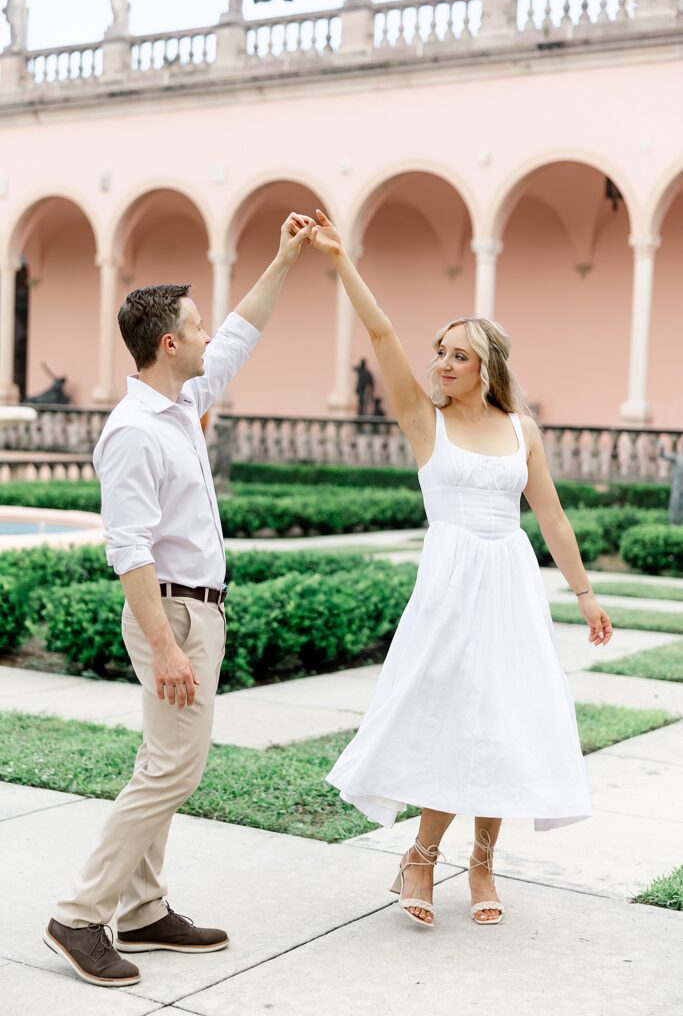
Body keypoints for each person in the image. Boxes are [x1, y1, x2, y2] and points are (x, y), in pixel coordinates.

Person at [306, 209, 613, 929]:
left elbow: (553, 518)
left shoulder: (520, 431)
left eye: (458, 355)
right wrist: (339, 257)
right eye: (439, 351)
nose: (441, 363)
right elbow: (380, 333)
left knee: (502, 722)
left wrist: (585, 594)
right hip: (448, 589)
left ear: (488, 368)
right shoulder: (425, 420)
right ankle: (419, 853)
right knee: (445, 719)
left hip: (508, 587)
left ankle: (480, 864)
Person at [43, 213, 313, 987]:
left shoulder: (182, 400)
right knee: (173, 770)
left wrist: (287, 256)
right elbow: (126, 548)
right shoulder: (135, 431)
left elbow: (239, 330)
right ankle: (79, 915)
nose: (204, 337)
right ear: (168, 344)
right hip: (172, 613)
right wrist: (164, 644)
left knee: (162, 759)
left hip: (199, 608)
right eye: (192, 327)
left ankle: (144, 909)